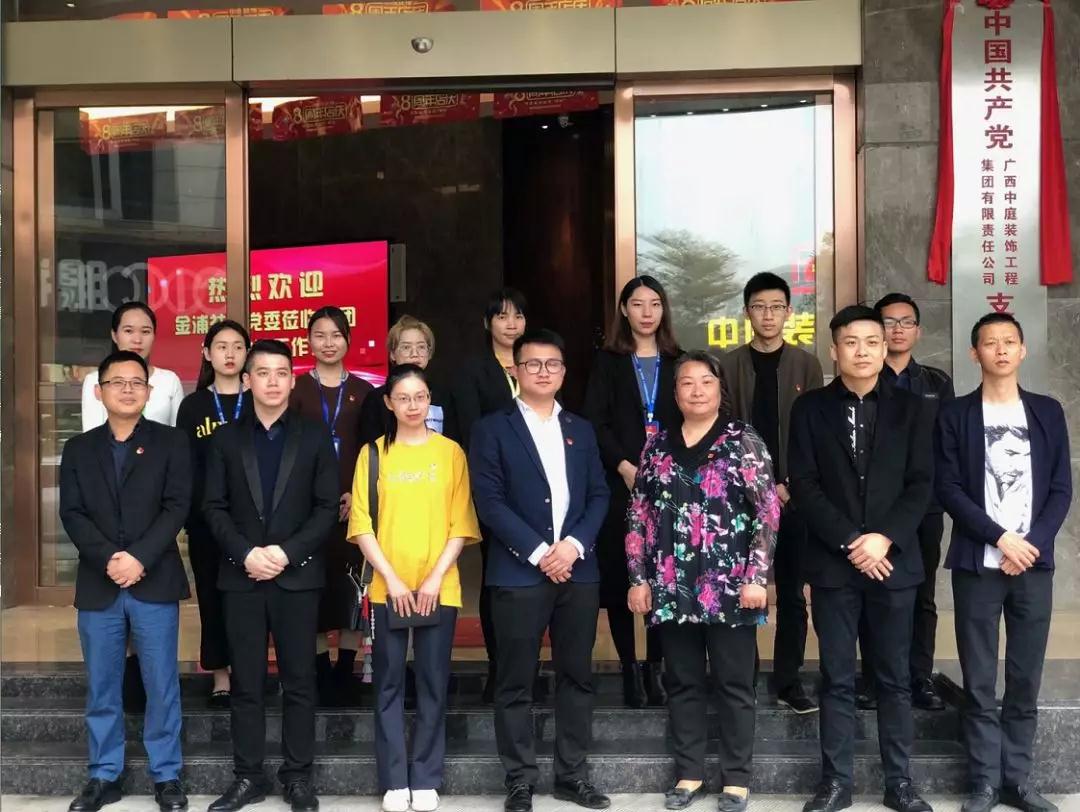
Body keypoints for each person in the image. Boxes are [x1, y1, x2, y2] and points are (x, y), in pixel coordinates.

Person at [788, 305, 934, 812]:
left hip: (894, 563)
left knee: (893, 677)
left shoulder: (914, 408)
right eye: (851, 342)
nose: (863, 351)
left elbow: (922, 484)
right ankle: (836, 783)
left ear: (885, 346)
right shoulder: (809, 409)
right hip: (835, 565)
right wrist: (853, 540)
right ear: (834, 350)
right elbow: (804, 484)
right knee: (835, 676)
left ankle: (900, 783)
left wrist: (883, 538)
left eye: (872, 341)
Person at [627, 351, 780, 812]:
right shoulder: (657, 445)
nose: (697, 390)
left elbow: (767, 510)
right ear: (675, 394)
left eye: (706, 382)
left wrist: (757, 576)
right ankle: (689, 774)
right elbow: (638, 514)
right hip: (671, 587)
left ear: (720, 390)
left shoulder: (742, 440)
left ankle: (736, 780)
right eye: (686, 383)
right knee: (683, 682)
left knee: (734, 684)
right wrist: (638, 577)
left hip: (732, 587)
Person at [469, 328, 611, 812]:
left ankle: (572, 775)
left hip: (577, 571)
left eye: (552, 364)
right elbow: (489, 501)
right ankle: (519, 780)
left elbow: (599, 494)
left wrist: (572, 547)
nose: (543, 372)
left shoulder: (581, 429)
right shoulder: (492, 428)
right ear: (515, 370)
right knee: (515, 681)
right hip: (518, 574)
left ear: (564, 372)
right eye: (533, 364)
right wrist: (538, 552)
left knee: (577, 676)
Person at [936, 313, 1071, 812]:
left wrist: (1029, 544)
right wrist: (1000, 539)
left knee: (1024, 676)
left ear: (1022, 350)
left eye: (1009, 341)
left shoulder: (1047, 411)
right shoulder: (956, 414)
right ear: (974, 353)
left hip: (1032, 565)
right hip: (979, 564)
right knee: (978, 678)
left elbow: (1061, 488)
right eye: (990, 343)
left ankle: (1018, 780)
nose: (1000, 350)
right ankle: (984, 783)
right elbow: (948, 487)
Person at [203, 340, 339, 812]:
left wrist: (285, 552)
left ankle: (298, 777)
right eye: (263, 373)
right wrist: (245, 554)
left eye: (282, 373)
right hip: (241, 578)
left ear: (292, 379)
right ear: (247, 380)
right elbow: (213, 507)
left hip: (296, 576)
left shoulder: (314, 436)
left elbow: (326, 508)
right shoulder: (225, 439)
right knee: (246, 682)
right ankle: (248, 777)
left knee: (299, 680)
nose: (273, 381)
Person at [59, 350, 192, 812]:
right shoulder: (78, 449)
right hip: (100, 584)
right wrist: (109, 560)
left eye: (137, 382)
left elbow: (177, 506)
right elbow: (72, 513)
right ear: (99, 392)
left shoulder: (172, 443)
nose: (128, 389)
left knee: (161, 683)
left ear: (149, 392)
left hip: (153, 579)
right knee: (102, 685)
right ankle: (103, 775)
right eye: (117, 382)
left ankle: (167, 775)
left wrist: (138, 558)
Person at [347, 364, 481, 812]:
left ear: (429, 401)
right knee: (387, 683)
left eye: (419, 397)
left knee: (432, 682)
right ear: (388, 403)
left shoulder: (451, 453)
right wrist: (392, 578)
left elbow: (461, 523)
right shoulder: (373, 454)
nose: (412, 406)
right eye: (402, 398)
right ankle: (393, 780)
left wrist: (435, 577)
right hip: (387, 588)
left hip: (439, 587)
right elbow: (362, 525)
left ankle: (425, 777)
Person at [718, 271, 824, 714]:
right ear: (747, 312)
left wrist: (789, 484)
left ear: (788, 312)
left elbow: (816, 431)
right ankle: (740, 678)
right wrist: (756, 485)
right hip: (741, 498)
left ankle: (788, 681)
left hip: (793, 497)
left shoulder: (806, 364)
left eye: (776, 307)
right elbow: (723, 432)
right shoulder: (727, 366)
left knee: (794, 593)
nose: (768, 315)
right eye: (759, 307)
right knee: (740, 588)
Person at [583, 275, 680, 708]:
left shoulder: (677, 360)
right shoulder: (608, 362)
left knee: (663, 573)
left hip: (670, 485)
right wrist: (624, 465)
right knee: (624, 572)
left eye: (654, 304)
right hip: (619, 482)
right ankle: (628, 668)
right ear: (624, 309)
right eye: (637, 304)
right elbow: (594, 421)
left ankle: (656, 668)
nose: (646, 312)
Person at [856, 293, 955, 712]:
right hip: (872, 510)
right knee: (870, 591)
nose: (897, 329)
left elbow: (946, 446)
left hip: (923, 507)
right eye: (889, 322)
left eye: (906, 322)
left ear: (918, 330)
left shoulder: (935, 382)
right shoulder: (862, 378)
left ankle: (919, 677)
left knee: (922, 594)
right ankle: (873, 677)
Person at [290, 306, 375, 706]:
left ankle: (347, 669)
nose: (328, 343)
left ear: (348, 340)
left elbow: (373, 451)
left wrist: (358, 495)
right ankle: (322, 668)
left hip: (353, 506)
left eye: (336, 335)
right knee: (315, 589)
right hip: (308, 509)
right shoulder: (295, 390)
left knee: (351, 589)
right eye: (320, 335)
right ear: (308, 341)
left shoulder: (364, 392)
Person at [451, 287, 528, 702]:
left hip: (538, 490)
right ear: (487, 324)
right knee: (498, 577)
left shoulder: (536, 364)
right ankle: (499, 666)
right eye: (502, 316)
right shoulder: (473, 370)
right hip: (495, 488)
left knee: (534, 581)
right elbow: (471, 432)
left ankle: (527, 666)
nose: (511, 324)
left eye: (517, 316)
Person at [82, 302, 185, 430]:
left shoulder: (169, 380)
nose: (137, 340)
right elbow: (91, 433)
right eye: (128, 331)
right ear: (114, 335)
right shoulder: (94, 380)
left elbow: (179, 434)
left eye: (145, 331)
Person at [360, 315, 455, 445]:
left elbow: (452, 442)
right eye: (406, 347)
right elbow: (371, 447)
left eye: (421, 347)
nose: (414, 354)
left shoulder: (443, 395)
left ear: (429, 353)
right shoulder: (376, 399)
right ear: (392, 354)